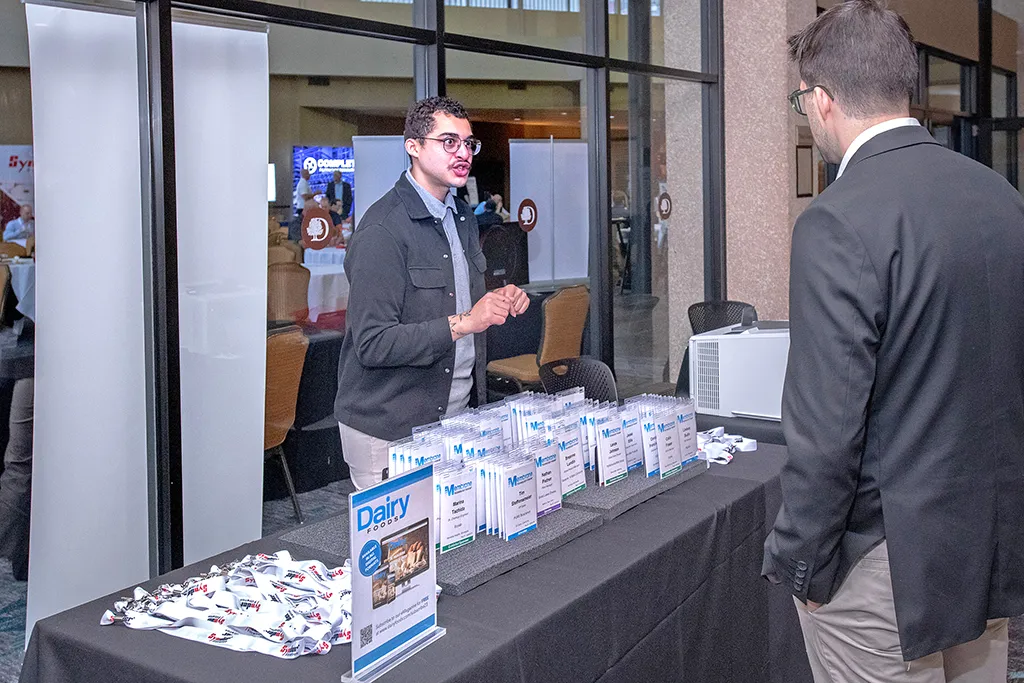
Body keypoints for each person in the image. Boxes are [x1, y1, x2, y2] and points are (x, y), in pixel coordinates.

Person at [763, 2, 1024, 681]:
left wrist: (802, 564)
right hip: (989, 542)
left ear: (822, 101)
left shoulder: (836, 222)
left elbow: (827, 432)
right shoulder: (1002, 199)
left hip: (884, 563)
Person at [334, 96, 529, 489]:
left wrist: (499, 298)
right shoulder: (382, 231)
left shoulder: (460, 215)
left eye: (468, 143)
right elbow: (372, 343)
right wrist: (464, 322)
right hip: (390, 428)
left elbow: (456, 299)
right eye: (448, 142)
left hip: (453, 418)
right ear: (414, 147)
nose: (463, 154)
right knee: (402, 552)